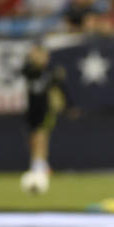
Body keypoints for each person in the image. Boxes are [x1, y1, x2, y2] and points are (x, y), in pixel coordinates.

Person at [20, 42, 68, 192]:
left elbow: (61, 88)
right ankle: (37, 162)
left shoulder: (51, 72)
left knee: (42, 134)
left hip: (45, 109)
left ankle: (40, 164)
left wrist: (69, 105)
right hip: (31, 108)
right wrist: (32, 59)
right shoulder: (30, 70)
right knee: (33, 136)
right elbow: (25, 71)